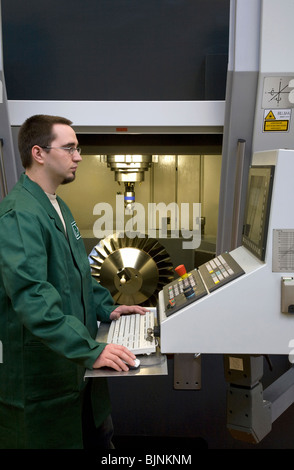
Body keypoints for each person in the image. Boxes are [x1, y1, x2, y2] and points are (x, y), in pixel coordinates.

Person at [0, 114, 147, 449]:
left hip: (77, 377)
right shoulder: (20, 214)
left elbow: (78, 275)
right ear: (38, 153)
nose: (78, 156)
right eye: (69, 148)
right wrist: (90, 349)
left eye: (78, 148)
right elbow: (32, 297)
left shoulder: (59, 207)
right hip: (43, 381)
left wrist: (107, 309)